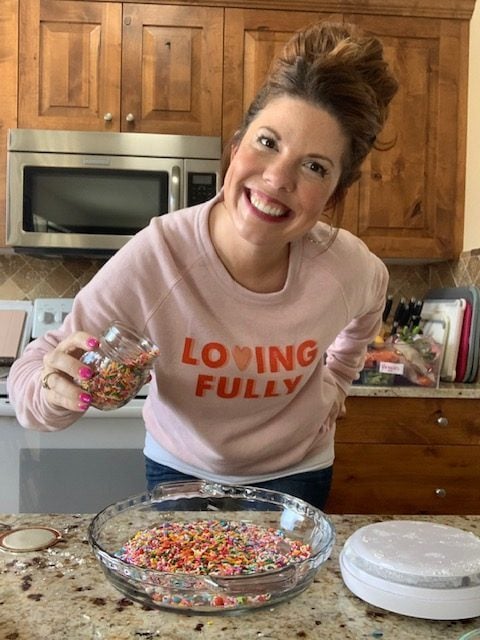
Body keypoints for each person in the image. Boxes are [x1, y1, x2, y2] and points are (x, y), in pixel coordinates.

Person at [7, 21, 398, 510]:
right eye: (268, 142)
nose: (277, 179)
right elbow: (32, 376)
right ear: (235, 147)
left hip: (298, 471)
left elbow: (369, 308)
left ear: (334, 194)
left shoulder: (347, 268)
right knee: (182, 589)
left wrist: (337, 379)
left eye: (315, 166)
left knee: (286, 588)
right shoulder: (157, 258)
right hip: (180, 469)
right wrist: (54, 389)